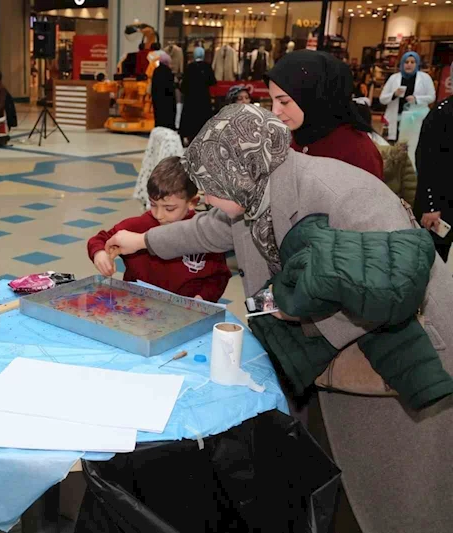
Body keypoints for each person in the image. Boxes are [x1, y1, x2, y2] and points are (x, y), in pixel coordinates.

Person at [105, 104, 453, 533]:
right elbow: (207, 230)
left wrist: (297, 310)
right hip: (343, 352)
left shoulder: (339, 192)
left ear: (236, 171)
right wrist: (144, 240)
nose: (206, 199)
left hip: (406, 355)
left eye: (210, 187)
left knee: (400, 487)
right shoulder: (256, 189)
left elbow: (398, 283)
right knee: (341, 470)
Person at [88, 156, 230, 302]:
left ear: (192, 202)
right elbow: (100, 239)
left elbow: (219, 276)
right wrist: (100, 254)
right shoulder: (137, 226)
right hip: (136, 306)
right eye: (153, 204)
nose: (159, 215)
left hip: (184, 310)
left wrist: (201, 298)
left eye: (169, 208)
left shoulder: (204, 234)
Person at [265, 50, 383, 179]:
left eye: (284, 102)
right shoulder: (289, 137)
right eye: (272, 100)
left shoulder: (357, 153)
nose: (275, 111)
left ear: (315, 97)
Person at [415, 65, 453, 261]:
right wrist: (430, 205)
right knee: (433, 261)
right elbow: (426, 161)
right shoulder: (441, 113)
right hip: (440, 205)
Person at [379, 51, 436, 142]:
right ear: (402, 63)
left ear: (417, 64)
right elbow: (382, 99)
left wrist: (416, 99)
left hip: (415, 118)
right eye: (406, 62)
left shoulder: (425, 78)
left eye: (412, 62)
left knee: (411, 143)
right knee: (393, 145)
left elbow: (432, 97)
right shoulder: (393, 78)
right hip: (395, 118)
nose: (409, 65)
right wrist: (394, 94)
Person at [179, 46, 216, 144]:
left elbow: (184, 84)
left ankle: (190, 137)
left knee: (191, 119)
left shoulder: (190, 67)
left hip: (191, 99)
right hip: (203, 98)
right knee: (203, 119)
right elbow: (212, 81)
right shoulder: (207, 67)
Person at [151, 52, 176, 130]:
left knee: (159, 118)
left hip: (157, 99)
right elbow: (170, 88)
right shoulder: (168, 72)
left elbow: (153, 86)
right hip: (167, 101)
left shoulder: (156, 71)